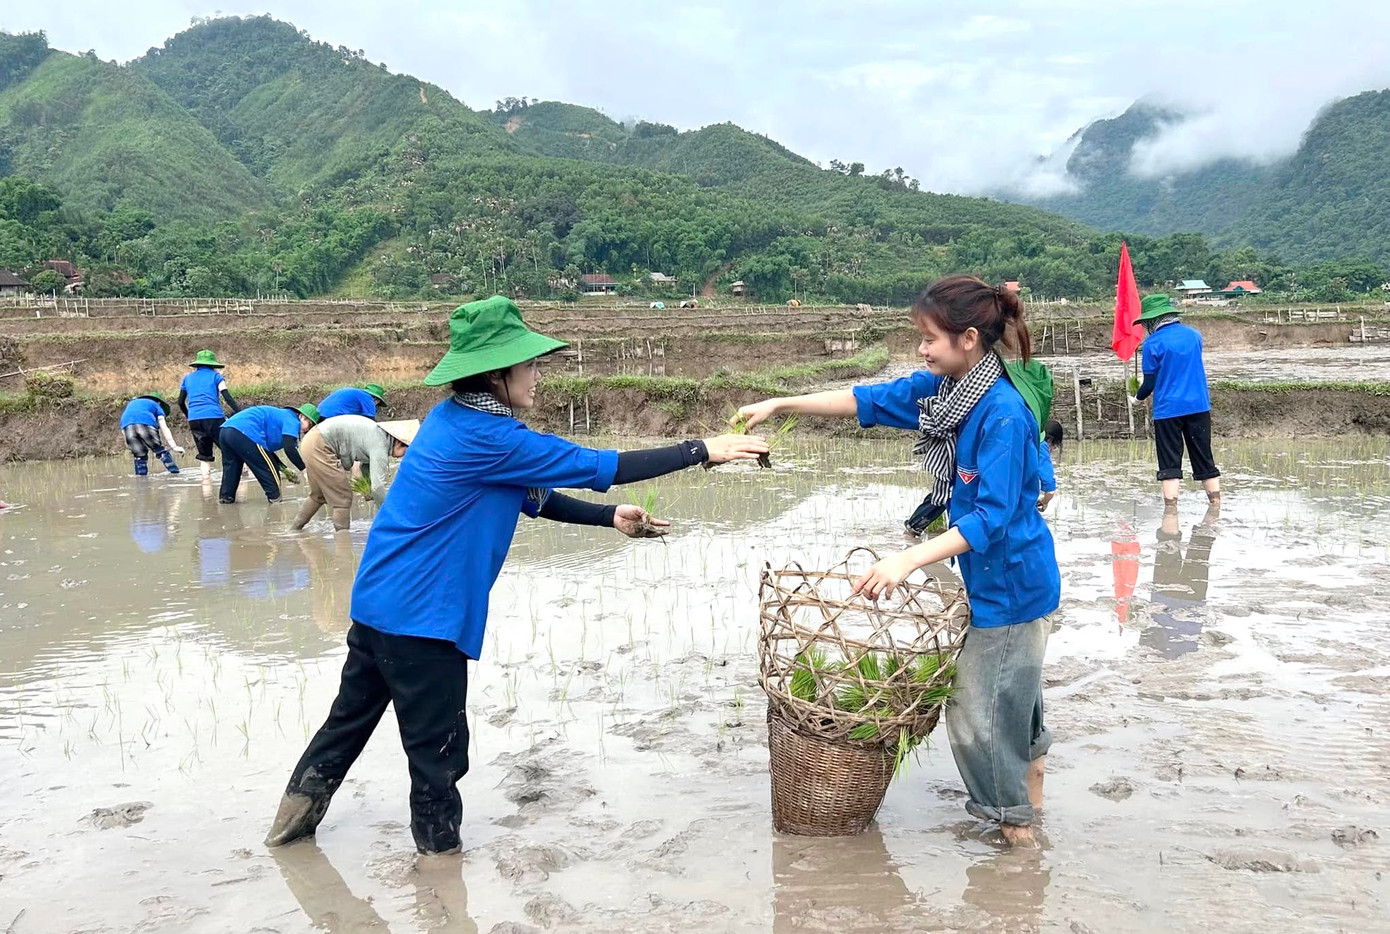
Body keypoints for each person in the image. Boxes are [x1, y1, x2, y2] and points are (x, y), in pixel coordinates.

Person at [264, 296, 768, 854]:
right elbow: (604, 464)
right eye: (529, 365)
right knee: (439, 753)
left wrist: (608, 517)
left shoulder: (452, 419)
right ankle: (440, 873)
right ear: (497, 373)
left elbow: (532, 494)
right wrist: (703, 449)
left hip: (379, 603)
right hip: (425, 619)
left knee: (346, 724)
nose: (537, 376)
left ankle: (288, 833)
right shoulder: (493, 437)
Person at [736, 275, 1060, 847]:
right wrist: (781, 402)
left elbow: (992, 518)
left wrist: (906, 560)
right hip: (992, 581)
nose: (921, 348)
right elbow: (864, 400)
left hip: (1012, 587)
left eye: (929, 338)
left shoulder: (1002, 413)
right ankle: (1031, 807)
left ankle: (1017, 833)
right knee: (1013, 695)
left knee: (978, 713)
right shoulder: (947, 394)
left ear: (966, 339)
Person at [904, 359, 1057, 534]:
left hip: (965, 469)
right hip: (997, 519)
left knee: (948, 491)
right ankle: (926, 528)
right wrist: (1044, 500)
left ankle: (918, 527)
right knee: (959, 498)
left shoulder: (987, 406)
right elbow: (1049, 488)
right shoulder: (1032, 435)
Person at [1130, 294, 1221, 507]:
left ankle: (1171, 511)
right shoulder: (1195, 336)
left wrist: (1137, 399)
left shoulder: (1151, 344)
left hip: (1168, 410)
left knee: (1170, 462)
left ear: (1153, 321)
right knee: (1204, 458)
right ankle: (1216, 505)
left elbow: (1149, 384)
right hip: (1198, 406)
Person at [290, 415, 417, 531]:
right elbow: (378, 487)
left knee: (318, 496)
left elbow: (367, 471)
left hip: (310, 441)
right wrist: (390, 517)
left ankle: (294, 530)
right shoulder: (380, 445)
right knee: (343, 498)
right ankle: (343, 540)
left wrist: (368, 492)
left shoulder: (377, 435)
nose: (402, 457)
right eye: (407, 451)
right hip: (320, 445)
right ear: (400, 442)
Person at [218, 403, 320, 504]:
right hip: (246, 431)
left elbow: (265, 454)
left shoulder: (282, 416)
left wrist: (284, 469)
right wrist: (304, 470)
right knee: (270, 471)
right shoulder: (293, 420)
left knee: (231, 468)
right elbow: (289, 449)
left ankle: (226, 499)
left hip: (226, 430)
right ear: (302, 417)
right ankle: (275, 500)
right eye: (310, 425)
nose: (307, 430)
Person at [178, 349, 242, 482]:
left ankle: (206, 488)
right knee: (230, 448)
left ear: (197, 364)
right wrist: (240, 412)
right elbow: (227, 397)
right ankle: (241, 480)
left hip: (194, 420)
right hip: (214, 418)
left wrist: (189, 415)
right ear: (212, 364)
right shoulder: (216, 376)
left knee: (204, 456)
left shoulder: (187, 378)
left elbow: (180, 402)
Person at [119, 392, 184, 475]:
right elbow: (164, 427)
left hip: (127, 427)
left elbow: (123, 429)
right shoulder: (156, 405)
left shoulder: (131, 404)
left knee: (139, 457)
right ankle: (175, 473)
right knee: (160, 451)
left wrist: (131, 446)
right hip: (146, 425)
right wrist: (174, 446)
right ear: (159, 402)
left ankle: (141, 481)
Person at [1036, 419, 1064, 514]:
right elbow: (1050, 488)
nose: (1051, 450)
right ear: (1050, 440)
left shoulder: (1029, 439)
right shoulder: (1042, 446)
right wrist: (1045, 501)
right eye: (1054, 446)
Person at [316, 384, 386, 420]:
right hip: (331, 418)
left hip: (318, 415)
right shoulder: (368, 398)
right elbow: (371, 421)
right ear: (376, 400)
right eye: (377, 404)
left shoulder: (356, 393)